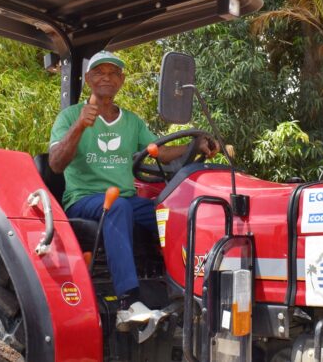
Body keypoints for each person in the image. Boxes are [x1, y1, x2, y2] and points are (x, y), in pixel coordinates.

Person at [49, 50, 218, 329]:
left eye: (113, 73)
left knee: (173, 213)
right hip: (83, 200)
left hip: (124, 200)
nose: (107, 77)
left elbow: (161, 152)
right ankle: (127, 302)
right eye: (100, 72)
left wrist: (194, 145)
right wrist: (80, 127)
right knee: (119, 206)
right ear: (89, 79)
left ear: (121, 81)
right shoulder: (69, 117)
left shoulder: (132, 121)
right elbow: (55, 164)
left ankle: (186, 287)